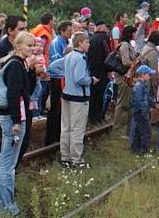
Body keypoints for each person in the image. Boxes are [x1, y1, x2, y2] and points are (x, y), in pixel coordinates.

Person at [0, 31, 34, 216]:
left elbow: (27, 89)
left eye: (33, 46)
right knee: (7, 165)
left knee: (6, 163)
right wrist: (16, 121)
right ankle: (5, 207)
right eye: (29, 46)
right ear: (17, 46)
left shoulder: (20, 64)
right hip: (12, 119)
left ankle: (1, 205)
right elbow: (13, 95)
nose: (32, 49)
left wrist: (31, 70)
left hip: (13, 117)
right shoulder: (15, 65)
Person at [61, 32, 97, 167]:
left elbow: (55, 68)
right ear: (80, 43)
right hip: (78, 97)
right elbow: (80, 78)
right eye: (87, 42)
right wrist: (91, 80)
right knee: (77, 128)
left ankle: (65, 156)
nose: (89, 44)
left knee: (66, 127)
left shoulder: (68, 56)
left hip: (66, 94)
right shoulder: (81, 58)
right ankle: (76, 159)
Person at [45, 20, 72, 145]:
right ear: (62, 31)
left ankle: (58, 136)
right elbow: (56, 62)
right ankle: (50, 139)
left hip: (64, 78)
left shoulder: (67, 42)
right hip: (57, 79)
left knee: (62, 109)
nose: (71, 32)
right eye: (69, 30)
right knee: (55, 108)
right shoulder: (56, 43)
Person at [113, 25, 138, 134]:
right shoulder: (124, 45)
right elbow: (125, 61)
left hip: (127, 78)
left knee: (126, 102)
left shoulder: (127, 45)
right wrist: (136, 63)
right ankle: (119, 129)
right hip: (123, 78)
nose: (136, 34)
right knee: (123, 103)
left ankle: (125, 129)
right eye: (134, 32)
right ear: (130, 33)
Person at [87, 21, 111, 124]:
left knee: (93, 94)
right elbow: (108, 54)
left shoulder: (91, 38)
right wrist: (110, 69)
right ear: (101, 27)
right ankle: (98, 116)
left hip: (91, 69)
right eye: (106, 26)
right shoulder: (104, 38)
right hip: (102, 70)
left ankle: (91, 116)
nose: (107, 29)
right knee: (101, 94)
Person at [130, 65, 155, 154]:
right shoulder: (140, 86)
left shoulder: (142, 85)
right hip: (140, 112)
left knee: (138, 131)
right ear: (143, 75)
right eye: (149, 74)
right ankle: (143, 151)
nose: (150, 76)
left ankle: (135, 149)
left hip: (139, 111)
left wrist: (154, 104)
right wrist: (144, 110)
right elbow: (138, 100)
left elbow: (147, 98)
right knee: (146, 132)